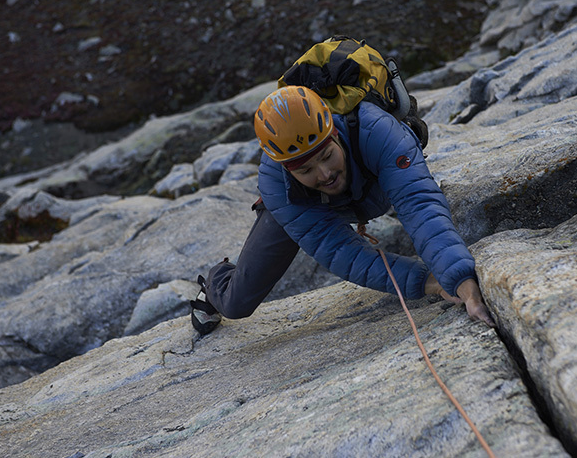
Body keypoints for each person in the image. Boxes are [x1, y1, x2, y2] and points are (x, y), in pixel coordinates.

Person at [190, 85, 495, 335]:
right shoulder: (278, 184)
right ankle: (217, 278)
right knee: (236, 303)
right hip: (310, 205)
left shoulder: (378, 131)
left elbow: (420, 207)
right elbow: (340, 251)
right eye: (306, 169)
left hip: (371, 181)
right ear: (287, 170)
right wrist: (428, 282)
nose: (323, 174)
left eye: (326, 156)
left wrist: (459, 279)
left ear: (335, 134)